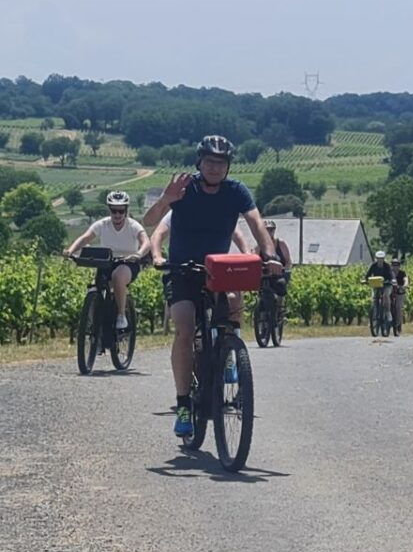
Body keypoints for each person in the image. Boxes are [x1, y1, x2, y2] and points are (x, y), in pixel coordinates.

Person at [143, 134, 280, 438]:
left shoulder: (236, 191)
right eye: (209, 162)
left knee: (233, 300)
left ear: (228, 166)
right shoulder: (184, 188)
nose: (215, 168)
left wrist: (268, 254)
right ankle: (182, 405)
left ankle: (230, 353)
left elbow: (257, 223)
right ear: (199, 163)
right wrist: (166, 199)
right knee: (184, 327)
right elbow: (150, 219)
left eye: (221, 163)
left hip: (218, 267)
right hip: (182, 269)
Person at [63, 191, 150, 329]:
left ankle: (121, 315)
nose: (117, 214)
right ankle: (95, 327)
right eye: (113, 210)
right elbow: (85, 238)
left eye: (121, 211)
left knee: (118, 277)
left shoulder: (133, 226)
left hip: (128, 262)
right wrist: (70, 251)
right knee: (93, 289)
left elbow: (146, 242)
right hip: (106, 262)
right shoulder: (102, 224)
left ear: (126, 210)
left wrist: (138, 254)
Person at [364, 251, 394, 322]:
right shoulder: (373, 265)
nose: (380, 260)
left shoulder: (387, 266)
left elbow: (391, 275)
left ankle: (388, 312)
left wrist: (391, 280)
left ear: (384, 259)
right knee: (374, 298)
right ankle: (374, 316)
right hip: (376, 285)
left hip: (386, 285)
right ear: (376, 258)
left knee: (386, 296)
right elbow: (368, 275)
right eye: (378, 258)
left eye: (381, 258)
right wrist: (365, 280)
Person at [390, 258, 409, 331]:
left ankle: (399, 323)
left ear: (399, 266)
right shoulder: (389, 273)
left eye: (397, 265)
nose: (395, 267)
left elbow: (405, 279)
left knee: (398, 308)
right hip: (391, 291)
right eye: (393, 265)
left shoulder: (402, 273)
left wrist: (405, 285)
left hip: (400, 292)